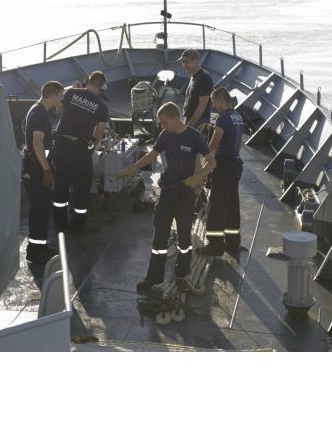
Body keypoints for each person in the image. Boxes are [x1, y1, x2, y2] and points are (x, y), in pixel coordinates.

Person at [118, 102, 216, 293]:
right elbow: (153, 154)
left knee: (184, 240)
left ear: (175, 118)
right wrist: (134, 167)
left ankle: (182, 276)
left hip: (185, 195)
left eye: (164, 122)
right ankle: (153, 277)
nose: (163, 127)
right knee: (159, 239)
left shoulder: (194, 137)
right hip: (167, 192)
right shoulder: (166, 135)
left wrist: (199, 176)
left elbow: (212, 161)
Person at [52, 71, 109, 233]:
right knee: (82, 189)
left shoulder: (70, 92)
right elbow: (98, 135)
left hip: (61, 147)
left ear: (87, 81)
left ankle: (59, 224)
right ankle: (79, 225)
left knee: (60, 186)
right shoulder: (102, 106)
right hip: (80, 151)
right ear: (102, 87)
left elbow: (59, 109)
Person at [199, 87, 244, 257]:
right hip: (235, 165)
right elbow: (240, 144)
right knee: (232, 205)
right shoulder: (238, 117)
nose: (214, 106)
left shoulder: (223, 119)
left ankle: (215, 245)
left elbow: (214, 143)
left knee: (217, 206)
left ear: (221, 101)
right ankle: (233, 242)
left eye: (214, 103)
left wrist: (205, 164)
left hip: (224, 167)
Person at [23, 81, 65, 263]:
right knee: (40, 208)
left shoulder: (37, 110)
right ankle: (34, 250)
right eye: (61, 95)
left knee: (42, 207)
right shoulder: (40, 114)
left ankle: (40, 244)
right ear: (53, 95)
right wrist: (46, 169)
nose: (62, 98)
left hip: (36, 166)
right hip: (38, 168)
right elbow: (37, 143)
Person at [180, 48, 213, 128]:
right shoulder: (194, 77)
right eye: (182, 62)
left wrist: (190, 124)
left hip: (199, 122)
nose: (184, 65)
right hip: (189, 119)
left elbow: (202, 105)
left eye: (186, 62)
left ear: (196, 61)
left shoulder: (204, 78)